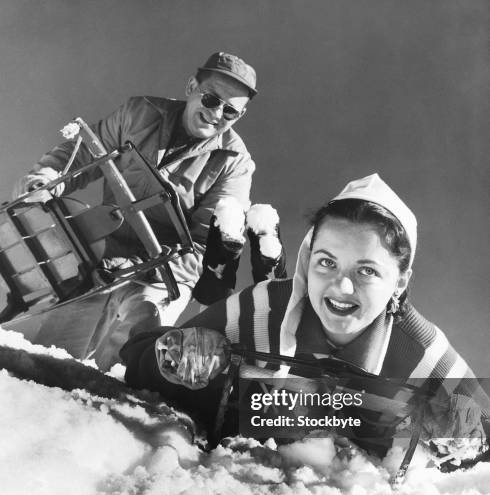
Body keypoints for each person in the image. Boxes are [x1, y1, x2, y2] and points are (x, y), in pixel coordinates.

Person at [121, 174, 490, 457]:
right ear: (306, 261)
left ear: (400, 281)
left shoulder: (421, 355)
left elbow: (482, 436)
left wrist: (462, 444)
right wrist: (169, 357)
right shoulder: (259, 310)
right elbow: (137, 361)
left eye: (367, 271)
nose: (341, 288)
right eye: (326, 263)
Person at [11, 52, 257, 371]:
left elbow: (208, 248)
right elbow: (85, 153)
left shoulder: (235, 165)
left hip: (164, 275)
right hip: (101, 254)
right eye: (210, 99)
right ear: (191, 86)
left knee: (132, 361)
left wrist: (138, 266)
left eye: (230, 111)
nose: (216, 114)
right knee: (46, 360)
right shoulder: (139, 113)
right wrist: (45, 179)